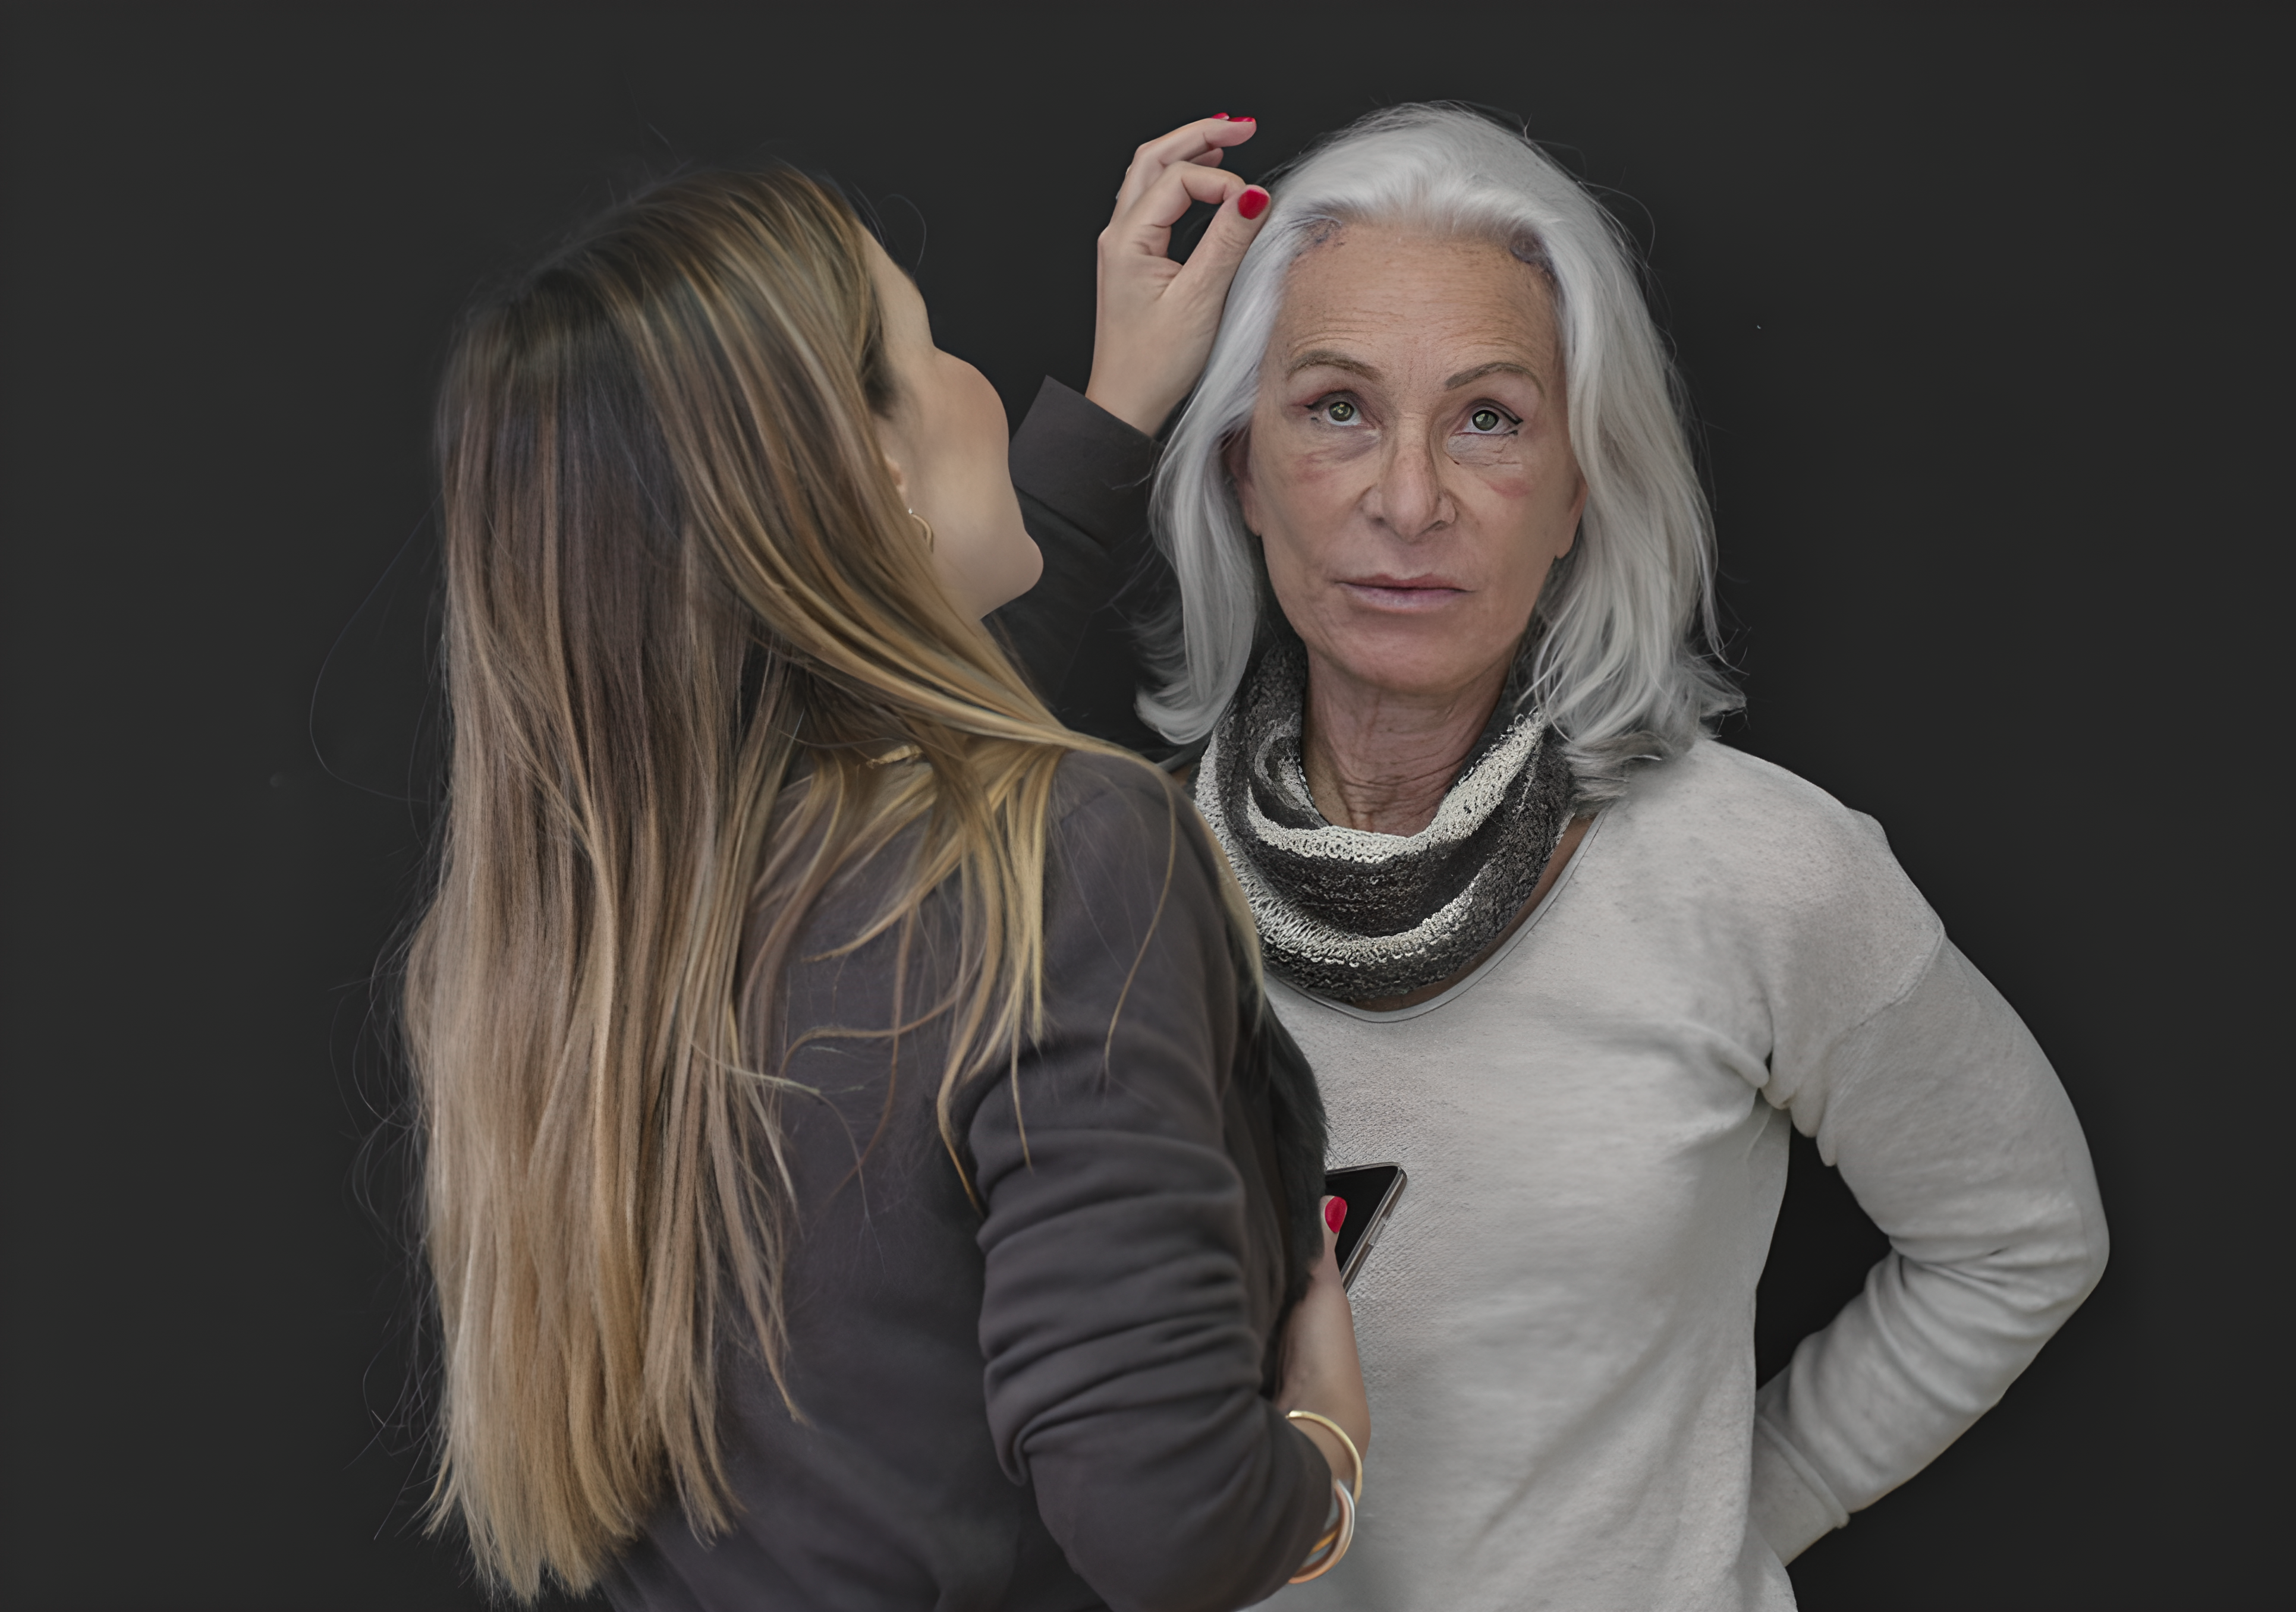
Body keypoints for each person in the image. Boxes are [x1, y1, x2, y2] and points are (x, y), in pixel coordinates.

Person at [1007, 104, 2110, 1610]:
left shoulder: (1763, 871)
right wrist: (1097, 417)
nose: (1407, 499)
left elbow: (2019, 1240)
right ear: (1241, 477)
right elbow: (804, 821)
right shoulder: (1103, 884)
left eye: (1488, 419)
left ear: (1580, 488)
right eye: (1334, 407)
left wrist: (1722, 1534)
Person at [404, 135, 1371, 1612]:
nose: (977, 383)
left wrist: (1113, 409)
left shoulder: (579, 928)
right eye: (931, 349)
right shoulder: (1075, 852)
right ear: (865, 463)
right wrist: (1319, 1459)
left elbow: (895, 764)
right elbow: (1171, 1528)